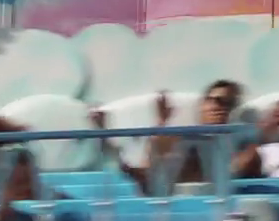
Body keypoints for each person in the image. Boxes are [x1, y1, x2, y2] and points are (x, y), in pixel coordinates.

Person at [96, 78, 255, 191]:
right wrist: (161, 124)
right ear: (203, 104)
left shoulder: (243, 146)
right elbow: (146, 174)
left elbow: (235, 171)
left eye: (228, 103)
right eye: (214, 100)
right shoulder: (177, 139)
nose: (219, 107)